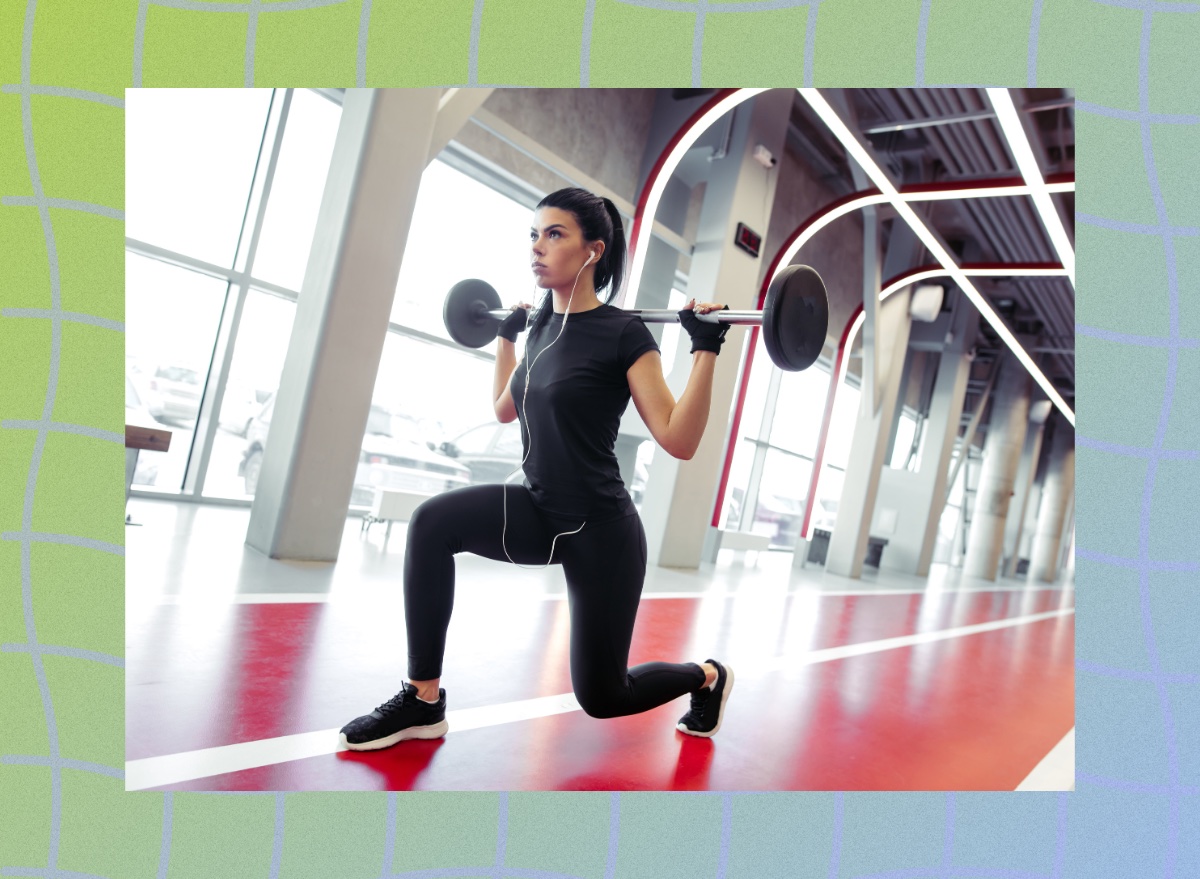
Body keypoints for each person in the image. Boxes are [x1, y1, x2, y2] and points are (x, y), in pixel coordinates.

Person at [339, 187, 734, 752]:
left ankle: (708, 677)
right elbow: (505, 406)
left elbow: (680, 439)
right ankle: (422, 701)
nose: (537, 248)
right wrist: (506, 337)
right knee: (431, 524)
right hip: (539, 508)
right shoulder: (546, 325)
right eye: (533, 234)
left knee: (604, 697)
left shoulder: (625, 334)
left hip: (601, 529)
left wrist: (705, 350)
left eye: (555, 235)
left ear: (593, 251)